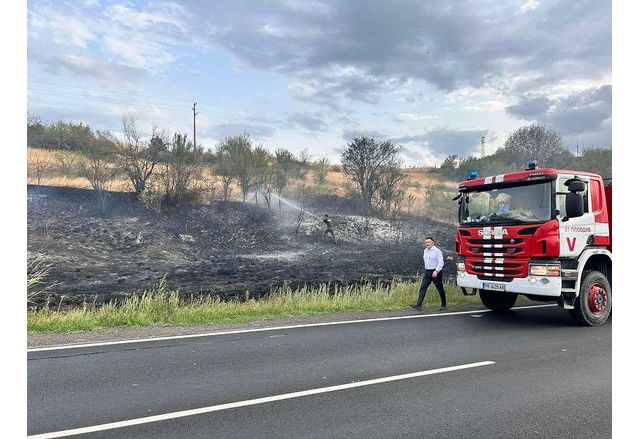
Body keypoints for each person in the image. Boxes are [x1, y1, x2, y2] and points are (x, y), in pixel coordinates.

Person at [411, 236, 447, 311]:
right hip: (427, 272)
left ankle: (443, 305)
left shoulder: (437, 251)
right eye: (426, 242)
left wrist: (436, 271)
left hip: (435, 272)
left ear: (432, 242)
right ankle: (419, 305)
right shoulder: (425, 250)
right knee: (422, 288)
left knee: (440, 289)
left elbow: (441, 263)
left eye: (428, 242)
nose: (427, 244)